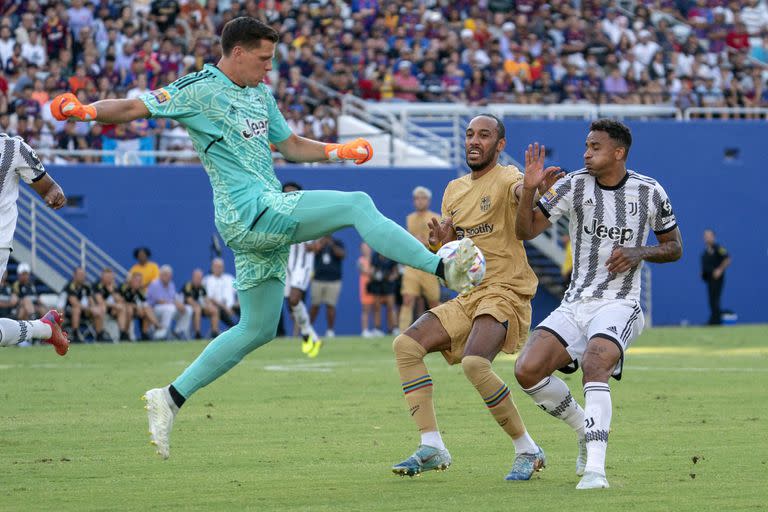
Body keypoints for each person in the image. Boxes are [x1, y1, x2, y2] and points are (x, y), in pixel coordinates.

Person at [50, 16, 479, 459]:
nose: (268, 68)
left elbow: (290, 145)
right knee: (357, 204)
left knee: (256, 327)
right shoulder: (198, 89)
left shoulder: (260, 94)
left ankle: (170, 397)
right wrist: (85, 111)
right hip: (250, 211)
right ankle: (443, 267)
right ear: (237, 53)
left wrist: (337, 150)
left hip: (262, 218)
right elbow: (134, 106)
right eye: (263, 59)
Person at [514, 119, 683, 490]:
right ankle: (582, 428)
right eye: (586, 146)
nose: (586, 153)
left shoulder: (649, 192)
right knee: (527, 370)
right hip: (576, 301)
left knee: (594, 364)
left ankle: (595, 470)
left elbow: (675, 248)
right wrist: (529, 190)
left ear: (618, 152)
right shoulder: (573, 185)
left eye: (594, 147)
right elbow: (525, 231)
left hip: (620, 302)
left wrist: (639, 251)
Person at [391, 114, 562, 480]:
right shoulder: (453, 189)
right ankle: (432, 444)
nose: (474, 140)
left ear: (499, 146)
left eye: (484, 135)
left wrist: (531, 188)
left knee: (474, 364)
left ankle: (527, 449)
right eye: (470, 134)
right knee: (406, 346)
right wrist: (443, 243)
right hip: (470, 294)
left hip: (505, 290)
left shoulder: (509, 179)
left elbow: (521, 197)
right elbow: (457, 247)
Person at [0, 133, 68, 355]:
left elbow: (49, 188)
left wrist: (54, 195)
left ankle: (43, 329)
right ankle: (43, 328)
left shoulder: (13, 148)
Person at [281, 182, 322, 358]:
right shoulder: (278, 213)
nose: (289, 196)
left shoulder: (309, 214)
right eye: (286, 193)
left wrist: (316, 246)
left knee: (294, 298)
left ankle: (307, 332)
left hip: (303, 264)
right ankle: (309, 334)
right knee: (292, 305)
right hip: (285, 264)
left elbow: (323, 236)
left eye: (292, 193)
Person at [398, 186, 442, 333]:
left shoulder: (436, 217)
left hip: (429, 263)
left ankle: (441, 330)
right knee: (407, 299)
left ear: (428, 200)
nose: (420, 201)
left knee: (433, 302)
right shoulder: (409, 218)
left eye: (423, 198)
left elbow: (439, 243)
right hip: (412, 264)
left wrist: (424, 242)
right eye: (417, 198)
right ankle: (402, 333)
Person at [309, 235, 345, 338]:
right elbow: (311, 250)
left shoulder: (337, 242)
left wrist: (332, 244)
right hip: (318, 279)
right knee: (314, 305)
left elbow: (342, 255)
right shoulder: (318, 242)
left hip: (334, 280)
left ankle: (330, 331)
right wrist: (321, 243)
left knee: (331, 305)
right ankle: (308, 329)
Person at [146, 264, 192, 340]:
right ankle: (162, 333)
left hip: (169, 308)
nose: (169, 277)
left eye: (170, 275)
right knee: (169, 308)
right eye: (166, 275)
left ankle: (179, 332)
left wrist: (180, 305)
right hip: (154, 309)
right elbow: (160, 301)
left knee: (188, 309)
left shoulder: (171, 284)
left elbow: (174, 298)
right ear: (161, 275)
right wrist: (175, 304)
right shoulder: (155, 284)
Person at [92, 267, 131, 341]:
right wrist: (115, 305)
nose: (109, 278)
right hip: (96, 309)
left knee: (123, 307)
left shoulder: (114, 286)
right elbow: (100, 301)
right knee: (102, 307)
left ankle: (122, 333)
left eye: (111, 277)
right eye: (107, 277)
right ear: (102, 276)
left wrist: (112, 291)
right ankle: (99, 334)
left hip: (111, 310)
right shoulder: (97, 286)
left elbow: (120, 300)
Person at [701, 229, 730, 325]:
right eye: (705, 236)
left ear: (713, 237)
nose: (707, 238)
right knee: (711, 300)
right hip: (709, 279)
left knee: (715, 299)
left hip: (717, 279)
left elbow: (727, 258)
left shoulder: (718, 248)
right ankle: (714, 319)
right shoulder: (705, 252)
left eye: (709, 236)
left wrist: (720, 270)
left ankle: (716, 321)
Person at [183, 268, 219, 339]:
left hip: (200, 307)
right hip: (187, 308)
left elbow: (206, 299)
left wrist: (210, 306)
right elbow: (189, 300)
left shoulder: (202, 287)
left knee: (214, 310)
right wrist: (199, 306)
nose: (199, 279)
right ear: (193, 277)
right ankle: (197, 333)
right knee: (197, 309)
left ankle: (214, 332)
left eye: (200, 278)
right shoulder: (188, 286)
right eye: (197, 278)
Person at [203, 258, 238, 330]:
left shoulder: (230, 278)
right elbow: (209, 298)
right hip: (218, 307)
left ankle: (246, 329)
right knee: (219, 310)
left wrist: (239, 303)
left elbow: (239, 293)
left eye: (221, 267)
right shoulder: (207, 280)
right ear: (212, 267)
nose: (219, 269)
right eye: (217, 267)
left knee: (242, 307)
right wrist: (225, 307)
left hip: (232, 307)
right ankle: (234, 328)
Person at [358, 242, 376, 337]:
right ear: (361, 250)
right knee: (366, 309)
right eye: (364, 248)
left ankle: (375, 329)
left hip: (375, 287)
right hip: (365, 287)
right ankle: (365, 330)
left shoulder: (374, 260)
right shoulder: (360, 260)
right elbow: (363, 270)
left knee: (375, 309)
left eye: (367, 247)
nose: (366, 249)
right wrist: (373, 272)